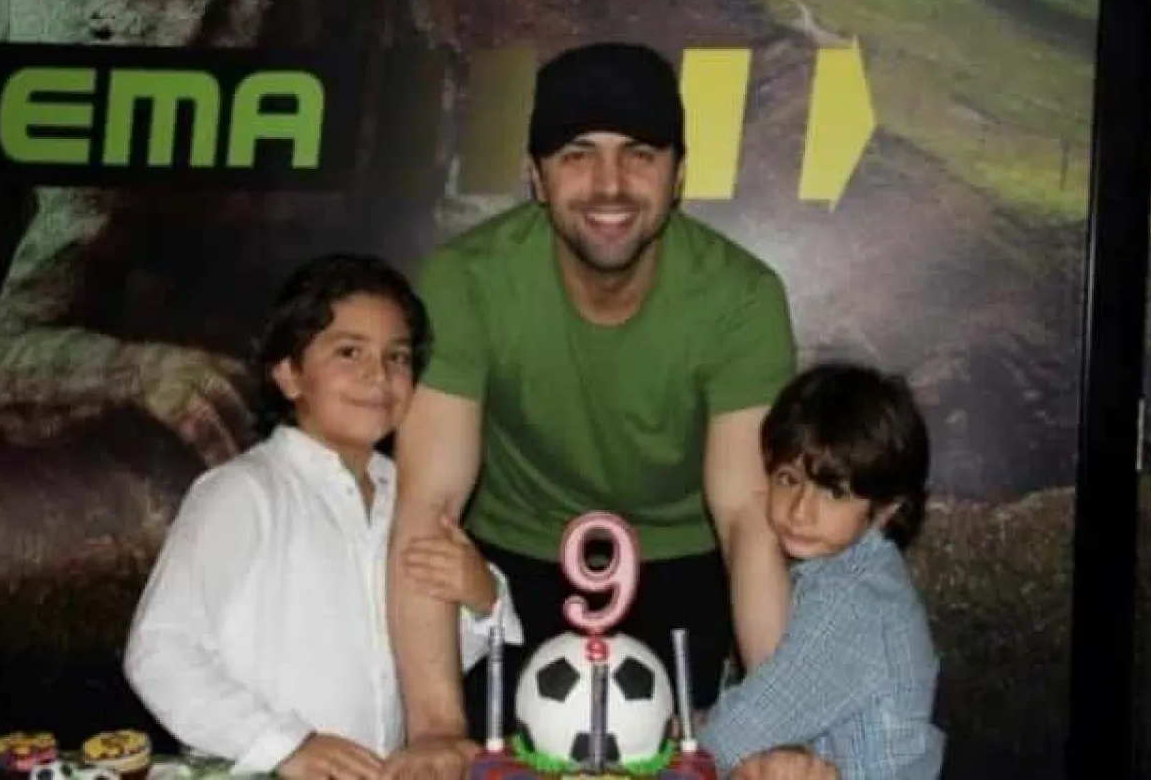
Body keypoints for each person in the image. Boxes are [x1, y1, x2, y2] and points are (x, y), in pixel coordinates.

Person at [386, 41, 798, 777]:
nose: (610, 184)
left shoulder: (742, 298)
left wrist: (778, 731)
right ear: (535, 176)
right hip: (508, 568)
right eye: (577, 154)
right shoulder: (466, 281)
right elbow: (428, 508)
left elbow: (747, 519)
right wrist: (435, 728)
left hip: (681, 566)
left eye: (639, 153)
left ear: (678, 174)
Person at [123, 253, 522, 779]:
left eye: (398, 357)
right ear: (289, 375)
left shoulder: (409, 497)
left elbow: (430, 655)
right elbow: (160, 650)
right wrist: (285, 746)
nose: (378, 374)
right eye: (349, 352)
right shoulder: (244, 492)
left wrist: (481, 598)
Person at [697, 362, 946, 779]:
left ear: (885, 510)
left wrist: (670, 736)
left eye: (834, 492)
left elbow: (733, 738)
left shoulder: (851, 605)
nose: (800, 511)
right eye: (788, 479)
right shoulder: (845, 575)